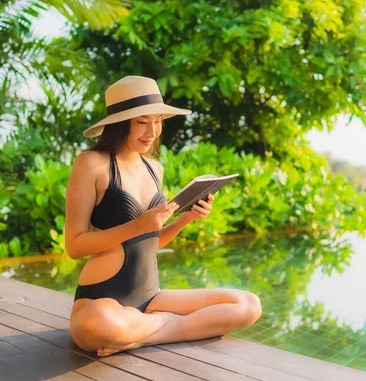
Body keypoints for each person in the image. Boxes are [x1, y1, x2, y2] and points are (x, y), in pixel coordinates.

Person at [65, 75, 262, 356]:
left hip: (151, 298)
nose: (153, 131)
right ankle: (167, 326)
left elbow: (149, 242)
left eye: (158, 121)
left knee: (248, 305)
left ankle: (144, 336)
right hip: (102, 301)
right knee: (100, 326)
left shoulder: (154, 169)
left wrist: (186, 218)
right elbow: (74, 246)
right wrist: (138, 225)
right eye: (143, 122)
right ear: (121, 124)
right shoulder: (92, 164)